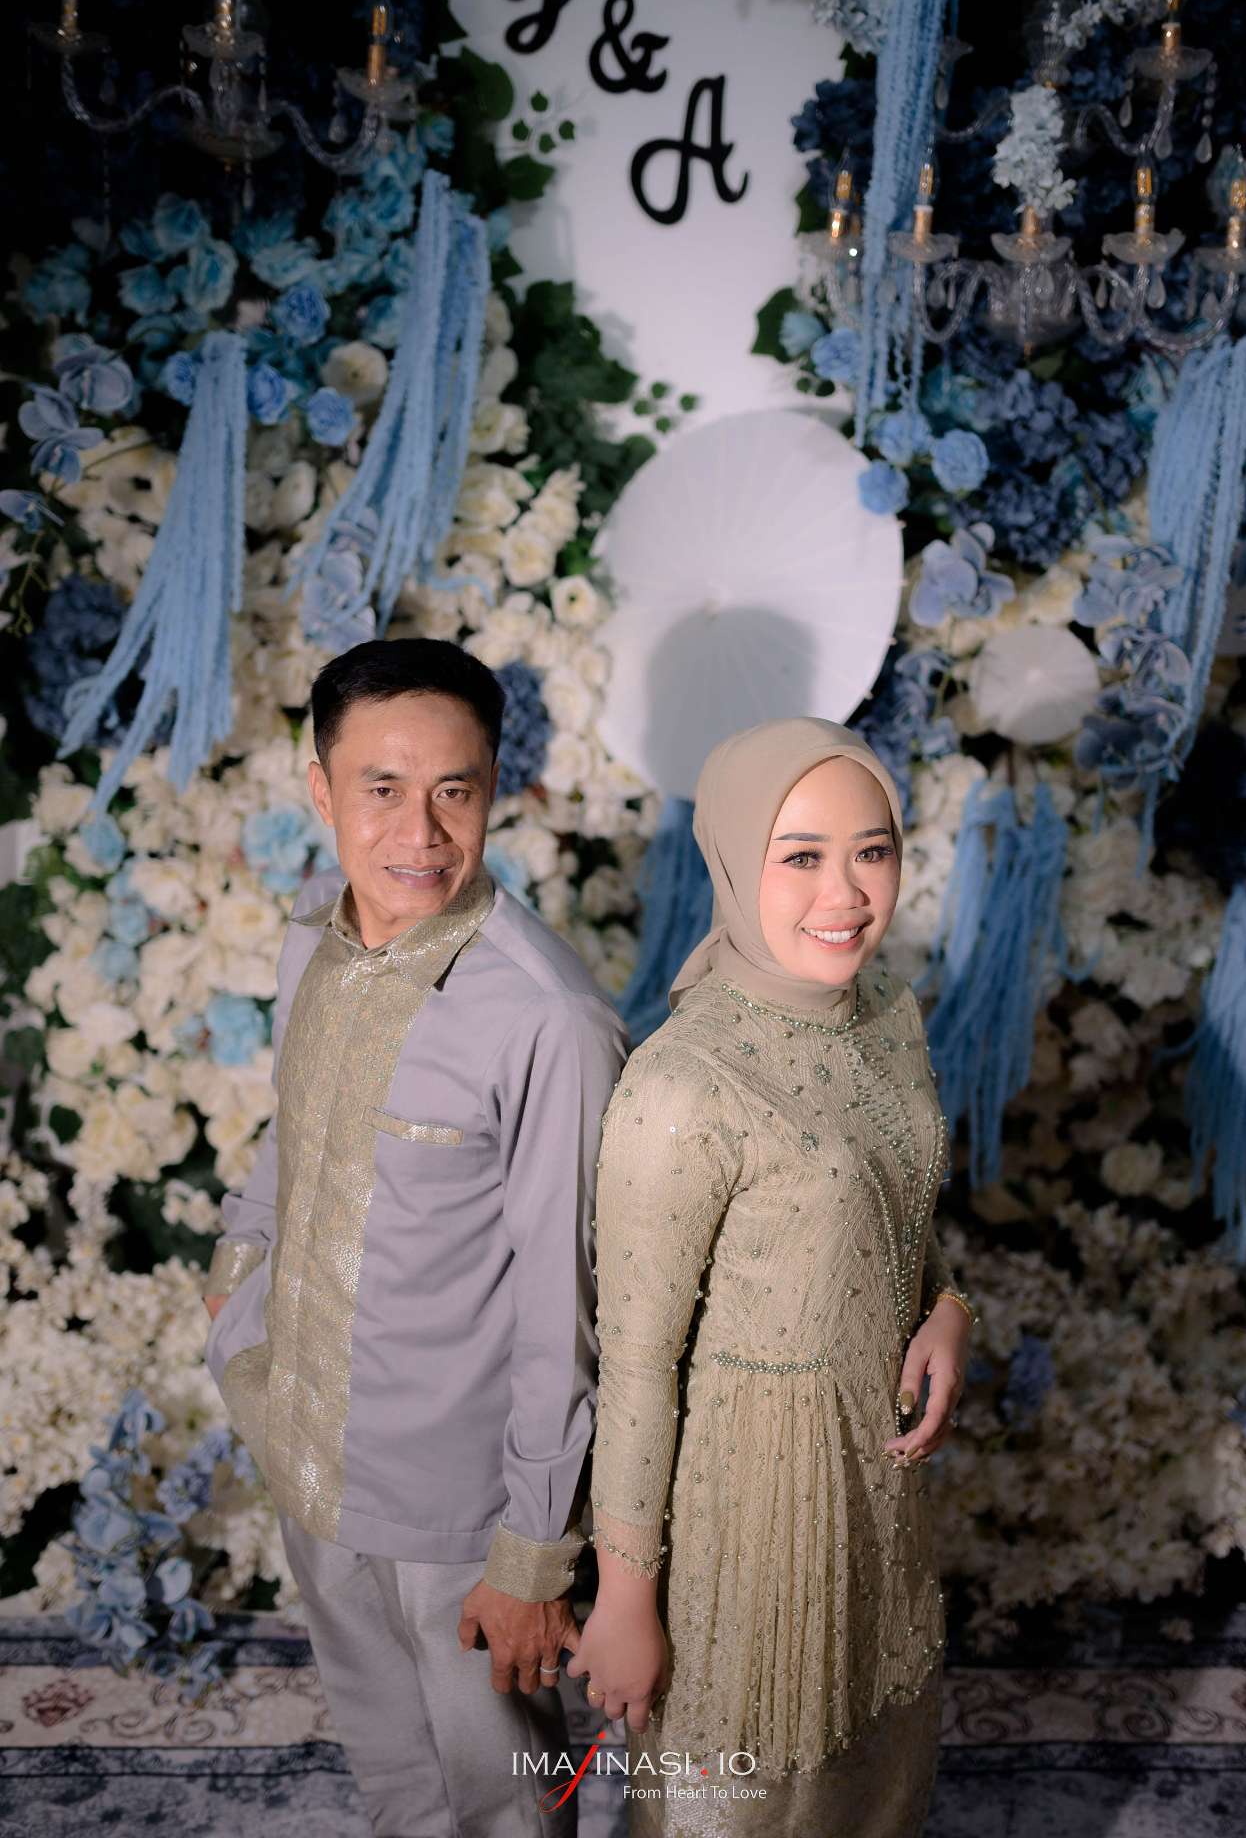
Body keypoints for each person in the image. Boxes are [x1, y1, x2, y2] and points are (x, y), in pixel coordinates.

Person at [201, 638, 627, 1838]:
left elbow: (570, 1308)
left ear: (495, 789)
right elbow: (292, 1135)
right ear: (321, 788)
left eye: (456, 790)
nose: (421, 833)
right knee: (396, 1779)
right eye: (382, 789)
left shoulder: (549, 1020)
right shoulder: (314, 934)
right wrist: (237, 1287)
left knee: (503, 1803)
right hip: (309, 1439)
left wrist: (533, 1552)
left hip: (461, 1509)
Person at [568, 716, 975, 1837]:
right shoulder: (681, 1088)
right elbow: (636, 1367)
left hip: (876, 1487)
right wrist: (626, 1599)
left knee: (874, 1786)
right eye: (800, 857)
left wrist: (948, 1307)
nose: (845, 893)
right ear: (733, 861)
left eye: (872, 850)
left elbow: (899, 1204)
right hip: (749, 1513)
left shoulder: (888, 1015)